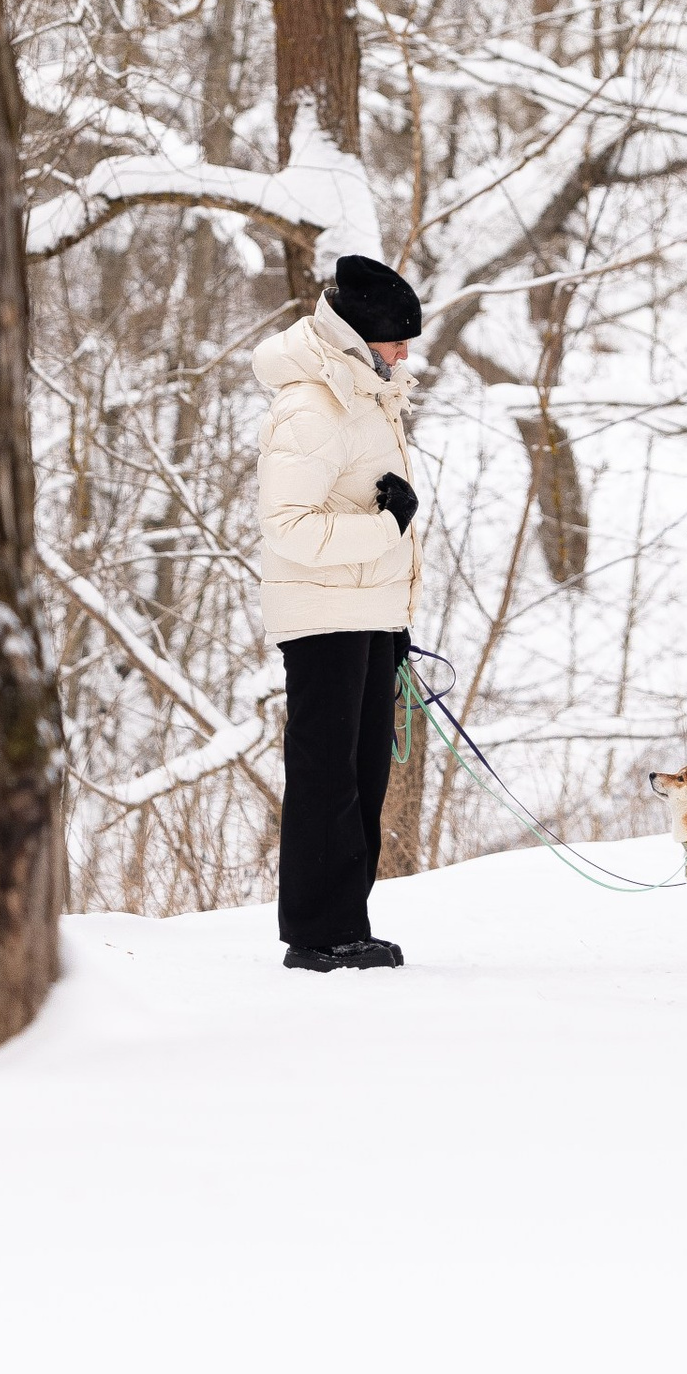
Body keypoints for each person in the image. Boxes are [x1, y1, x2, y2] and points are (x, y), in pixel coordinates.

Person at [254, 249, 426, 972]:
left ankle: (344, 924)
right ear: (360, 338)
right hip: (323, 617)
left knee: (362, 775)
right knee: (329, 776)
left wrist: (395, 620)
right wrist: (387, 527)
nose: (404, 352)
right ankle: (318, 933)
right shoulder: (312, 408)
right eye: (395, 340)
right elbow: (286, 527)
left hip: (364, 612)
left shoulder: (364, 397)